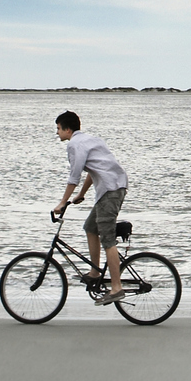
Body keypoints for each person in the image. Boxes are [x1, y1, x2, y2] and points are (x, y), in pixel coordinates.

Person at [52, 111, 130, 302]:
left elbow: (74, 176)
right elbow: (95, 169)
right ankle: (95, 272)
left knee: (107, 239)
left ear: (67, 129)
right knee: (90, 227)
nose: (57, 133)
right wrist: (81, 194)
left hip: (110, 190)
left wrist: (62, 202)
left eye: (58, 129)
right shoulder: (90, 139)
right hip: (113, 187)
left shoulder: (74, 144)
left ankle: (116, 288)